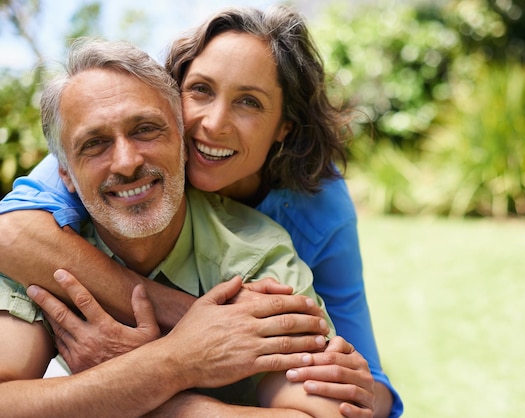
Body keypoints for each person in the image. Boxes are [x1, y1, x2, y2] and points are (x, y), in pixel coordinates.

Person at [0, 5, 402, 417]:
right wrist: (176, 351)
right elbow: (8, 237)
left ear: (285, 125)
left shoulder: (295, 226)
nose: (213, 124)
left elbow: (354, 397)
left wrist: (145, 388)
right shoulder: (82, 169)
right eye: (201, 90)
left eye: (249, 101)